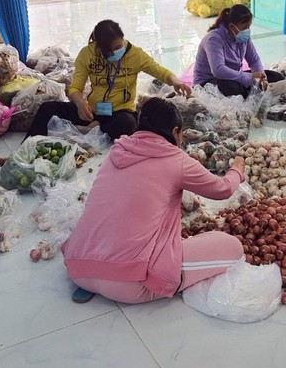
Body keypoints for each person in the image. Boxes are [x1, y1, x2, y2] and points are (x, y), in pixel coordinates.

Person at [61, 97, 245, 304]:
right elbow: (223, 189)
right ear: (176, 132)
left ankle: (98, 277)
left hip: (78, 268)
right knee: (232, 246)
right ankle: (148, 278)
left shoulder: (117, 150)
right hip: (129, 285)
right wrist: (237, 169)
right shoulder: (176, 159)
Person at [24, 20, 191, 141]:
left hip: (120, 112)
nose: (118, 52)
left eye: (119, 47)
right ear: (98, 48)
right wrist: (81, 103)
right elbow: (75, 88)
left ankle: (94, 129)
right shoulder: (87, 54)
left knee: (127, 125)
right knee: (47, 108)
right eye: (111, 51)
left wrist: (175, 82)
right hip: (92, 110)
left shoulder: (135, 54)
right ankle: (27, 147)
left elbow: (160, 71)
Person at [192, 4, 284, 98]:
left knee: (276, 77)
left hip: (234, 77)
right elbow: (218, 70)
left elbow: (254, 60)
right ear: (232, 26)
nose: (247, 30)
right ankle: (248, 91)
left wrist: (262, 78)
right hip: (210, 81)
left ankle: (250, 90)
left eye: (249, 27)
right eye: (245, 27)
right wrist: (249, 77)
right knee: (232, 88)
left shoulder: (243, 38)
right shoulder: (213, 39)